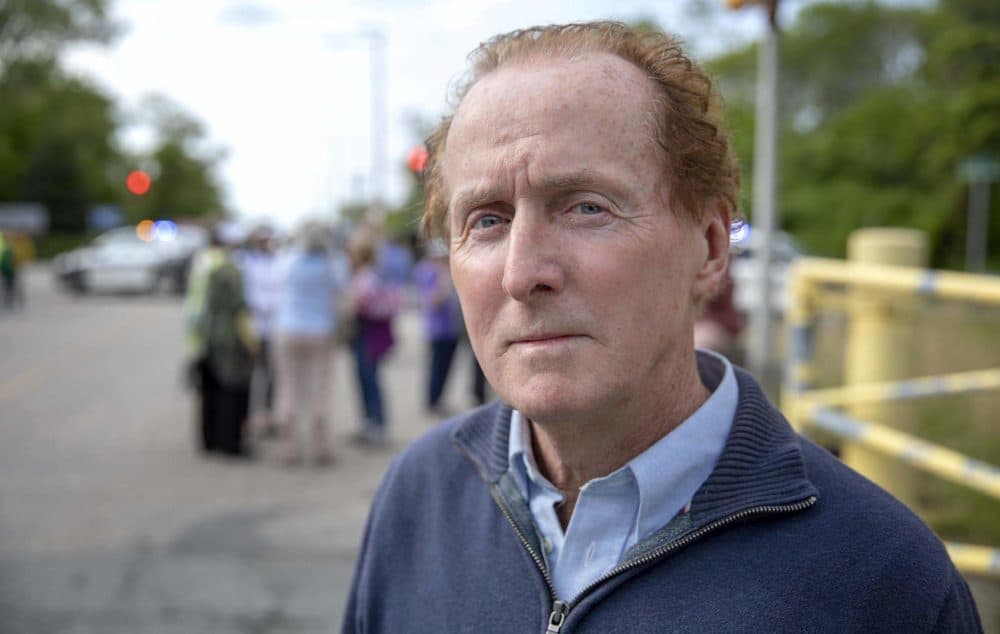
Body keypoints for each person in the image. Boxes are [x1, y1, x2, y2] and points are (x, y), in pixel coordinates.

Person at [342, 22, 982, 633]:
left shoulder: (882, 583)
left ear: (708, 249)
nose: (521, 273)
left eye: (587, 207)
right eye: (486, 220)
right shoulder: (418, 497)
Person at [272, 223, 349, 465]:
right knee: (319, 391)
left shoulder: (288, 259)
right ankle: (320, 448)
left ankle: (289, 448)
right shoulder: (334, 262)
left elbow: (277, 289)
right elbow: (343, 295)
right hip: (321, 330)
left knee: (288, 389)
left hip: (287, 328)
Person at [184, 224, 255, 458]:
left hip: (201, 333)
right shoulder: (226, 267)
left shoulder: (200, 261)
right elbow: (238, 308)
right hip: (226, 335)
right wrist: (251, 340)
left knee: (208, 391)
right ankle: (229, 443)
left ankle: (209, 441)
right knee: (230, 390)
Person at [347, 236, 401, 446]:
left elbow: (360, 305)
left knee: (369, 379)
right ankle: (371, 423)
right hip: (370, 334)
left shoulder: (365, 276)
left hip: (366, 333)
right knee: (367, 378)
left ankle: (375, 424)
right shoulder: (374, 274)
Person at [236, 226, 282, 436]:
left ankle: (268, 416)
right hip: (253, 326)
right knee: (250, 374)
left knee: (270, 374)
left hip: (273, 326)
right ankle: (247, 418)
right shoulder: (245, 262)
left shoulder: (278, 262)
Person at [413, 238, 462, 417]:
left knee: (445, 368)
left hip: (449, 328)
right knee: (437, 367)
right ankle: (433, 402)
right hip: (438, 330)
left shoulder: (440, 271)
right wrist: (444, 281)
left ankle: (438, 399)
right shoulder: (428, 272)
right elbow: (432, 301)